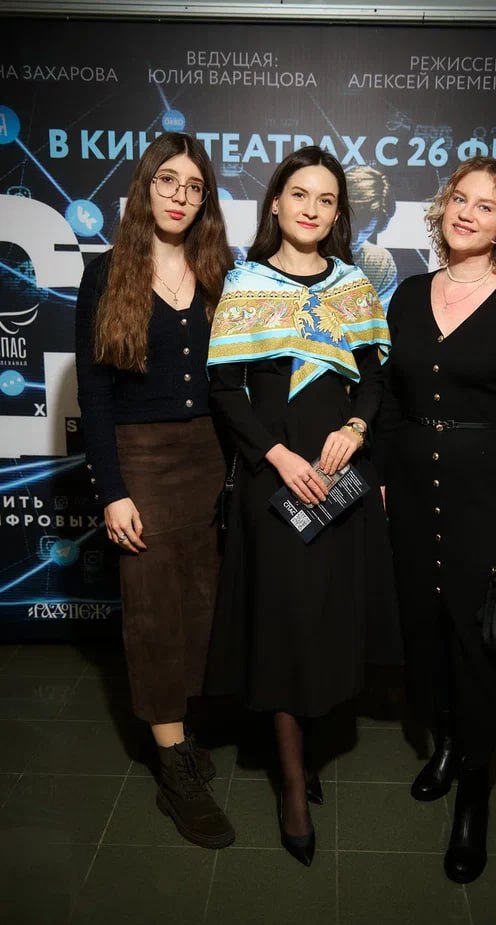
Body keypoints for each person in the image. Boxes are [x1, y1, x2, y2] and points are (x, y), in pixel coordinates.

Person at [206, 146, 401, 867]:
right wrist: (279, 457)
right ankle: (291, 785)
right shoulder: (245, 284)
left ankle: (310, 752)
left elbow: (375, 382)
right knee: (284, 626)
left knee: (326, 620)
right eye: (299, 194)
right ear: (275, 204)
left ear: (338, 212)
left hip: (341, 481)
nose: (312, 208)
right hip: (276, 480)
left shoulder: (355, 286)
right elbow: (225, 392)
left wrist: (355, 429)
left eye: (326, 198)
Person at [373, 156, 496, 883]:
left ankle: (474, 796)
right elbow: (390, 398)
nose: (467, 213)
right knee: (424, 635)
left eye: (486, 205)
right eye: (459, 198)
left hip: (489, 491)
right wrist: (381, 476)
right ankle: (446, 744)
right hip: (410, 485)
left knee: (478, 646)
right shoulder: (408, 293)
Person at [75, 132, 235, 849]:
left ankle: (184, 735)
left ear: (205, 201)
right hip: (140, 461)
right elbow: (94, 394)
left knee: (203, 607)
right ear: (145, 187)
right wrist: (113, 490)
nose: (180, 195)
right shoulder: (107, 273)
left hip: (212, 458)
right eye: (168, 180)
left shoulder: (220, 270)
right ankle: (174, 770)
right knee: (153, 615)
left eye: (194, 186)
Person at [346, 165, 398, 311]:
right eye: (350, 223)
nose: (355, 237)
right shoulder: (302, 253)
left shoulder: (379, 263)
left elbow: (382, 321)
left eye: (366, 230)